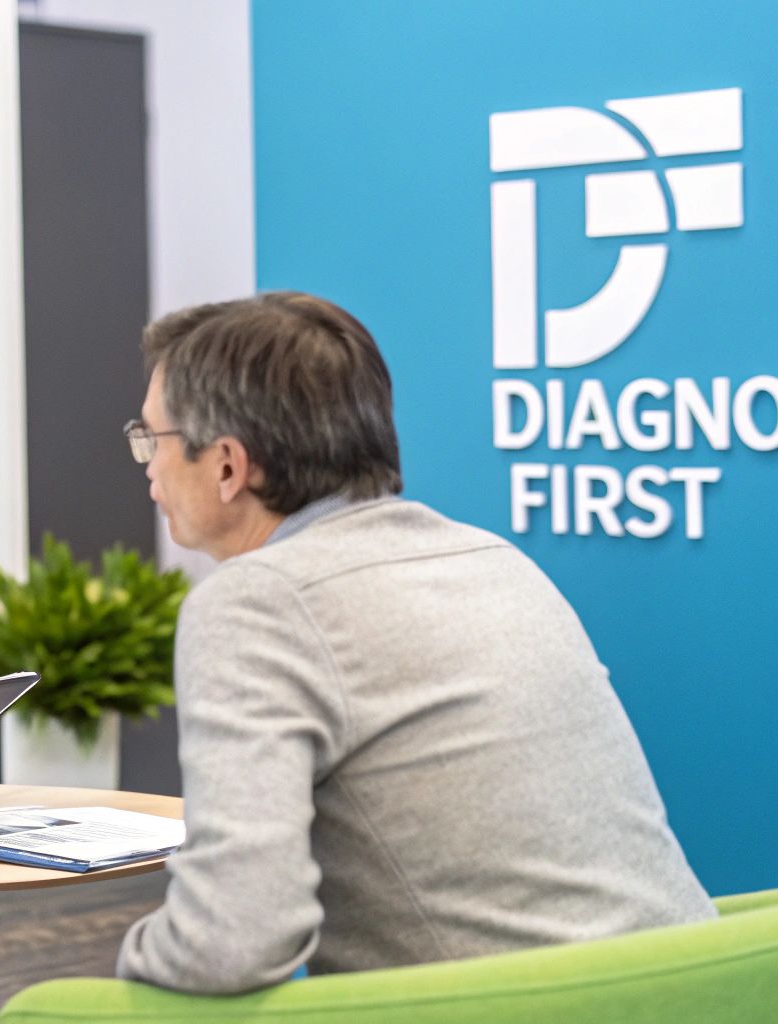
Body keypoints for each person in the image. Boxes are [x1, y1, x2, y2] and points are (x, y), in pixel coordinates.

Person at [114, 292, 717, 994]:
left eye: (150, 440)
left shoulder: (258, 601)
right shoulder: (493, 559)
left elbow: (234, 937)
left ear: (226, 465)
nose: (147, 467)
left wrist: (116, 973)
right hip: (699, 989)